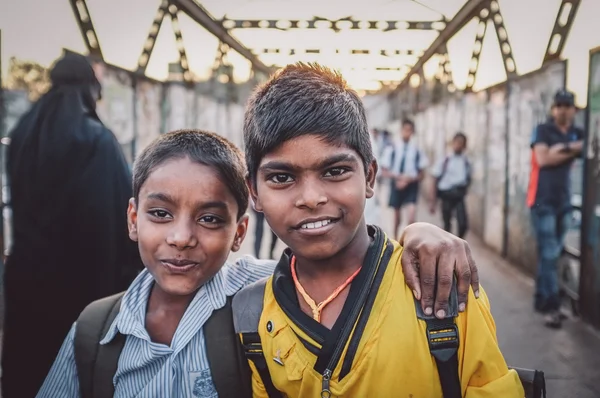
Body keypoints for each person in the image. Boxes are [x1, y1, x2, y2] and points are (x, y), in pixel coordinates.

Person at [37, 129, 483, 397]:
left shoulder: (266, 292)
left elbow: (343, 269)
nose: (181, 237)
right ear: (134, 219)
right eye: (160, 213)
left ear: (240, 233)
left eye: (210, 219)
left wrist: (419, 235)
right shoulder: (95, 332)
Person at [236, 63, 523, 397]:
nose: (312, 198)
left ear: (370, 177)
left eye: (335, 171)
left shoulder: (441, 289)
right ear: (254, 193)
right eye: (282, 178)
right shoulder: (252, 314)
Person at [2, 52, 142, 398]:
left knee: (29, 368)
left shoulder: (23, 133)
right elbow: (118, 214)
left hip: (27, 280)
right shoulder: (96, 140)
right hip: (81, 287)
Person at [528, 89, 584, 328]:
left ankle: (541, 298)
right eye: (559, 105)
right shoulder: (543, 130)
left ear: (573, 109)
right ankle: (551, 307)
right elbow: (543, 159)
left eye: (567, 105)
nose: (563, 109)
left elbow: (584, 147)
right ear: (554, 108)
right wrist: (572, 149)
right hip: (542, 201)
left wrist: (559, 150)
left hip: (564, 202)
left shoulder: (577, 132)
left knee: (551, 253)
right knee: (550, 253)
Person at [381, 119, 429, 239]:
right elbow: (384, 170)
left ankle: (409, 241)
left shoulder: (417, 150)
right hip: (396, 183)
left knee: (412, 215)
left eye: (410, 130)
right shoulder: (392, 148)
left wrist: (408, 180)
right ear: (401, 130)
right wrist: (398, 178)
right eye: (405, 130)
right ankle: (396, 240)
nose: (407, 133)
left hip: (411, 184)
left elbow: (422, 174)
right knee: (397, 217)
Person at [430, 132, 472, 238]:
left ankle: (459, 243)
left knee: (463, 224)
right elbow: (435, 178)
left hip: (459, 195)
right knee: (447, 225)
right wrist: (433, 201)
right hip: (446, 194)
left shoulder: (466, 161)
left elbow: (469, 178)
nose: (458, 145)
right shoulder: (445, 160)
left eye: (461, 143)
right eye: (457, 143)